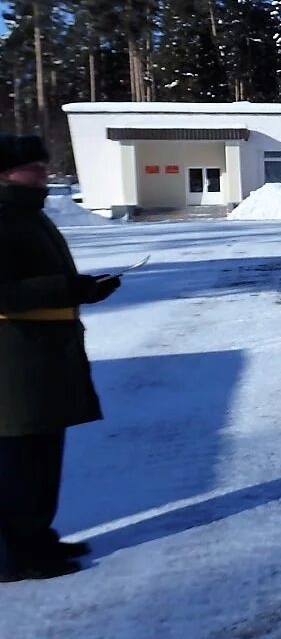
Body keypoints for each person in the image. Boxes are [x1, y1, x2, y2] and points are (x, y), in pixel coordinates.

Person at [0, 134, 119, 583]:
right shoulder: (5, 216)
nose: (42, 173)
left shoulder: (29, 214)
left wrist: (87, 289)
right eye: (32, 167)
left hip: (43, 356)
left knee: (43, 457)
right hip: (15, 361)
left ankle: (37, 538)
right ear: (5, 173)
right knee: (17, 461)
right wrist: (70, 288)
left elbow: (47, 281)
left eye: (41, 165)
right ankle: (14, 556)